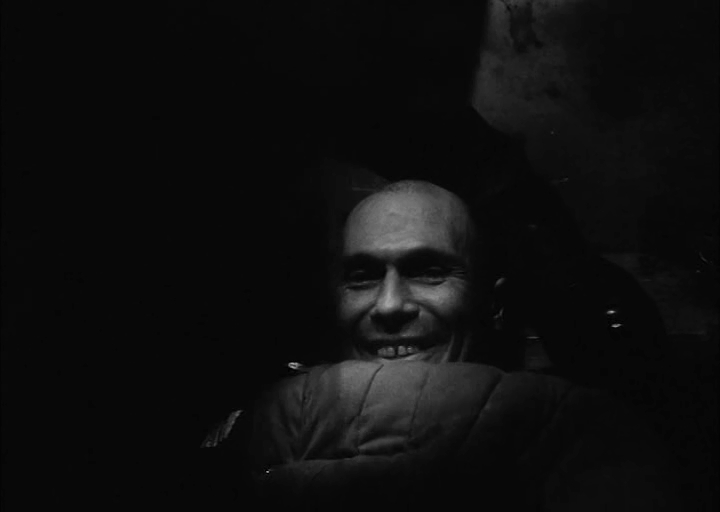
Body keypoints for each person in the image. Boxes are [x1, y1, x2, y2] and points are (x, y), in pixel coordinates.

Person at [197, 178, 686, 511]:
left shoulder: (586, 436)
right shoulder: (255, 428)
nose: (389, 305)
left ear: (491, 304)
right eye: (362, 276)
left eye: (428, 271)